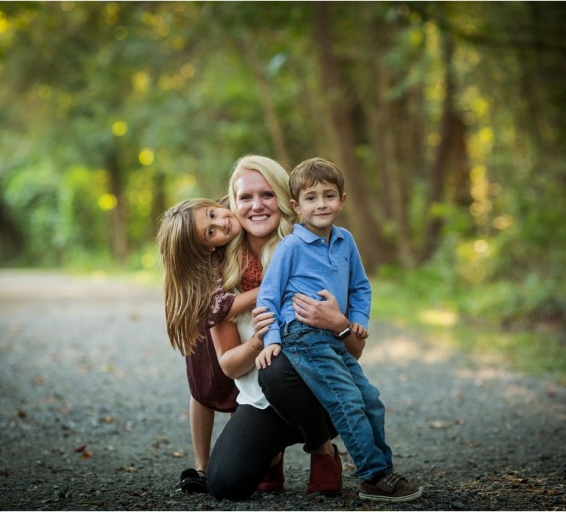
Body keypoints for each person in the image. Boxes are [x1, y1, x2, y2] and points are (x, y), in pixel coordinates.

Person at [255, 157, 423, 503]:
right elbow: (268, 299)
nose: (321, 204)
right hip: (302, 337)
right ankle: (373, 475)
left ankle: (384, 471)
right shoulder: (290, 247)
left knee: (371, 401)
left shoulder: (346, 241)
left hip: (333, 337)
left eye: (329, 196)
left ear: (342, 200)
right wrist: (271, 339)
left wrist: (357, 319)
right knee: (346, 401)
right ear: (296, 206)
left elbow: (361, 287)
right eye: (311, 197)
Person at [204, 155, 364, 501]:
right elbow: (229, 365)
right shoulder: (222, 269)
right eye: (246, 197)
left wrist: (338, 324)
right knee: (225, 485)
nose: (256, 205)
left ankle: (321, 448)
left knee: (277, 370)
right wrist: (257, 341)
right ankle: (273, 451)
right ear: (234, 204)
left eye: (267, 194)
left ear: (285, 199)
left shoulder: (313, 247)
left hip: (320, 392)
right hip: (261, 399)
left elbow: (355, 351)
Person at [156, 197, 258, 493]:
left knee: (239, 390)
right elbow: (218, 308)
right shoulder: (207, 264)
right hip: (206, 332)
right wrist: (268, 289)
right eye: (211, 231)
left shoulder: (234, 204)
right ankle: (201, 465)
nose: (221, 222)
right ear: (208, 247)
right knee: (204, 390)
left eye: (213, 214)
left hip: (234, 327)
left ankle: (236, 454)